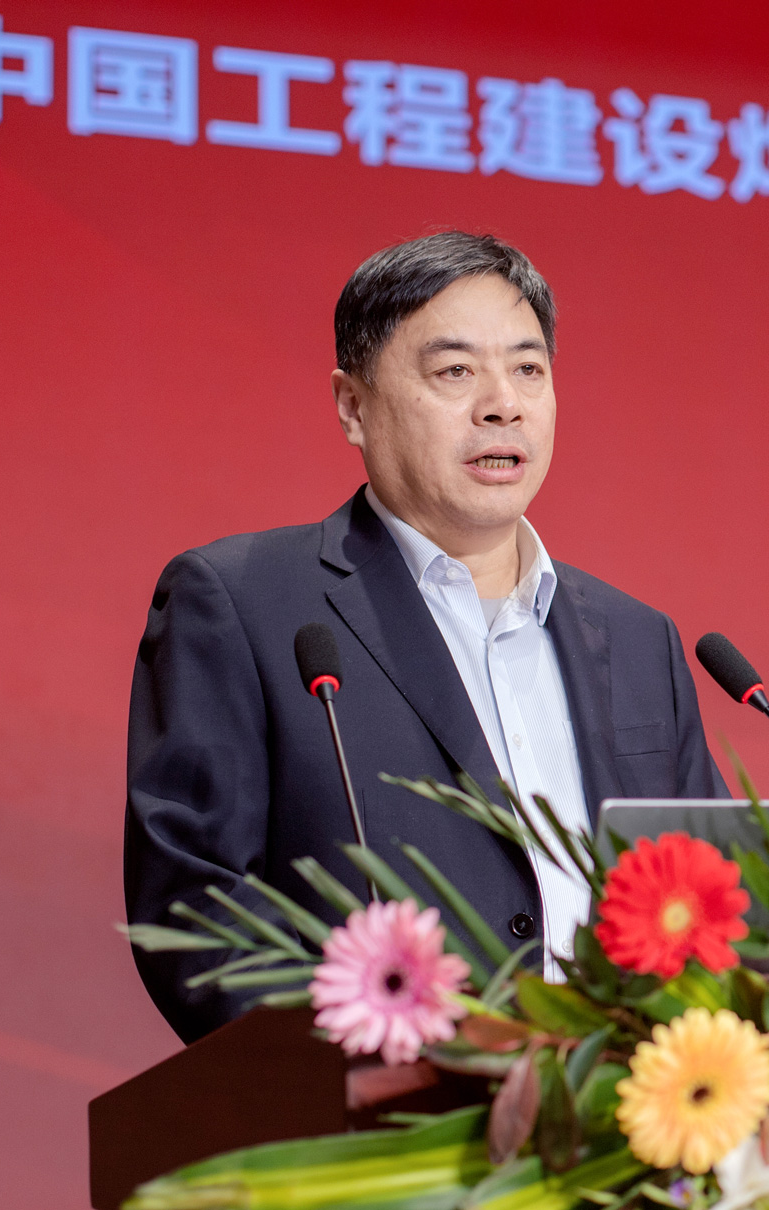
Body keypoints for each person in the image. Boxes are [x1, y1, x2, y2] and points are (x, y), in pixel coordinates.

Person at [125, 231, 728, 1043]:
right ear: (353, 405)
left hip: (626, 1109)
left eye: (529, 370)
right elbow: (197, 913)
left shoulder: (638, 639)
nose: (503, 404)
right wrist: (384, 1070)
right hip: (385, 1108)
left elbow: (710, 898)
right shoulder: (243, 602)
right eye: (455, 372)